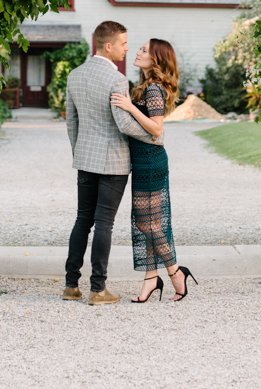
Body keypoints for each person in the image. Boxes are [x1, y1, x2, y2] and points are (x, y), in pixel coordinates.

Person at [63, 20, 162, 306]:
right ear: (109, 46)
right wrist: (153, 135)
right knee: (104, 224)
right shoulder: (117, 79)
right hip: (113, 162)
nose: (127, 48)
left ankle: (71, 286)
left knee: (82, 220)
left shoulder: (74, 75)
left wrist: (80, 152)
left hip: (85, 158)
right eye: (123, 43)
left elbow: (71, 122)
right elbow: (123, 123)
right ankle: (98, 289)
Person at [111, 38, 198, 302]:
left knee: (145, 223)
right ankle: (151, 279)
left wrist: (129, 107)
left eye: (144, 50)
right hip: (145, 160)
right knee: (149, 222)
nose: (137, 52)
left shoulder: (153, 89)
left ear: (156, 59)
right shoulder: (146, 86)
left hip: (150, 161)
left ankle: (175, 272)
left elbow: (156, 128)